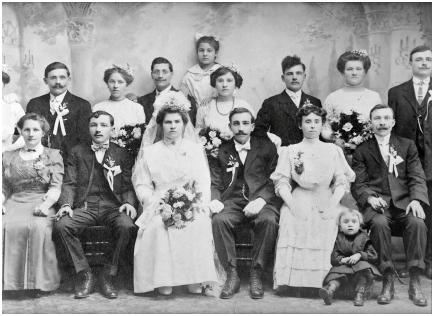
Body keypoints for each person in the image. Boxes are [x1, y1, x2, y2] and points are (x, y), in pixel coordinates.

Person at [132, 100, 218, 295]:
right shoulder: (150, 152)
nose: (172, 126)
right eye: (168, 122)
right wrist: (154, 202)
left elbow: (203, 181)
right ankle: (164, 280)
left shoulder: (195, 149)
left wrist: (198, 203)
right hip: (159, 201)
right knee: (157, 227)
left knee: (197, 223)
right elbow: (142, 184)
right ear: (161, 125)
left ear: (184, 124)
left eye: (177, 122)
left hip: (190, 199)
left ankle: (194, 279)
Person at [52, 111, 137, 299]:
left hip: (112, 206)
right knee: (62, 225)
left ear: (112, 129)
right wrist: (66, 204)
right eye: (94, 125)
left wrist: (129, 203)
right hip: (84, 206)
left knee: (127, 225)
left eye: (103, 125)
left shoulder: (121, 153)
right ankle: (84, 273)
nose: (98, 129)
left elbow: (127, 184)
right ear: (88, 128)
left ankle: (108, 274)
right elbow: (69, 182)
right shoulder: (77, 151)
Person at [351, 104, 429, 306]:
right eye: (377, 119)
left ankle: (415, 279)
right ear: (371, 123)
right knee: (378, 223)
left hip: (404, 203)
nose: (382, 123)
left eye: (386, 118)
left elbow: (416, 176)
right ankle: (387, 278)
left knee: (418, 223)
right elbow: (359, 184)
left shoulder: (407, 145)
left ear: (393, 122)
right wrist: (369, 197)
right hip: (378, 206)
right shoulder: (362, 150)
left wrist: (416, 199)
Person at [271, 105, 355, 292]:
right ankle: (294, 282)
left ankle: (325, 282)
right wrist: (292, 205)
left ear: (322, 124)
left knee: (329, 220)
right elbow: (282, 183)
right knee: (292, 218)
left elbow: (342, 181)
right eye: (307, 121)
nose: (312, 126)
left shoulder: (333, 150)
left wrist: (333, 205)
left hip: (327, 196)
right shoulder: (290, 150)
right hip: (300, 196)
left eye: (317, 122)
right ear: (300, 125)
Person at [210, 107, 282, 299]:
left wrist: (261, 199)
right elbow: (215, 181)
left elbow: (274, 178)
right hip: (232, 200)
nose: (240, 128)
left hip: (261, 200)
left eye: (245, 123)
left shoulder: (266, 147)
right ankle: (231, 274)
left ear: (252, 126)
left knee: (268, 221)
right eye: (236, 124)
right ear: (230, 126)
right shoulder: (222, 150)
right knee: (219, 220)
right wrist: (215, 199)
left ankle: (256, 272)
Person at [3, 113, 63, 296]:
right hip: (15, 200)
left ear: (43, 132)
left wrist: (46, 206)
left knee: (37, 227)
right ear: (20, 131)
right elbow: (4, 186)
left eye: (35, 130)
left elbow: (55, 186)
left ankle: (37, 283)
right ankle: (9, 285)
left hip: (41, 201)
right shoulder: (8, 156)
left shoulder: (52, 155)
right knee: (4, 225)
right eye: (26, 129)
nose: (30, 134)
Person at [388, 45, 432, 279]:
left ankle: (430, 260)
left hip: (432, 161)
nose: (424, 63)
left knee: (432, 211)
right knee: (411, 210)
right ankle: (411, 261)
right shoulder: (396, 93)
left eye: (428, 59)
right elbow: (392, 129)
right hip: (406, 161)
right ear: (410, 63)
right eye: (419, 60)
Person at [26, 62, 92, 160]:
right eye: (53, 78)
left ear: (69, 80)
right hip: (40, 160)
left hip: (71, 162)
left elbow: (85, 140)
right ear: (45, 80)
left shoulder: (82, 105)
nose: (58, 82)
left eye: (62, 77)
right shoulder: (34, 104)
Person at [253, 55, 322, 147]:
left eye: (298, 73)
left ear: (304, 76)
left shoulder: (315, 102)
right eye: (289, 74)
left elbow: (320, 133)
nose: (294, 77)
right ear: (283, 78)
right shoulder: (271, 103)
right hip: (283, 154)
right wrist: (274, 140)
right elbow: (258, 131)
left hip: (311, 153)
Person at [319, 209, 381, 306]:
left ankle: (360, 294)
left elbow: (373, 255)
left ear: (359, 224)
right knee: (336, 276)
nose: (350, 224)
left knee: (364, 273)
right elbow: (334, 257)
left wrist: (360, 255)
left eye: (354, 221)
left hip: (359, 267)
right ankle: (330, 291)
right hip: (344, 268)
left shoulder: (364, 237)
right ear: (340, 226)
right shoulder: (339, 238)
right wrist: (342, 259)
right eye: (346, 222)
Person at [324, 50, 382, 121]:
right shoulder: (332, 98)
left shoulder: (374, 97)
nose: (354, 73)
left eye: (358, 69)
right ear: (343, 72)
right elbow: (326, 126)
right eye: (349, 69)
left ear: (365, 72)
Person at [137, 57, 197, 125]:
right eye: (156, 72)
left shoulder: (186, 100)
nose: (160, 76)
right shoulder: (142, 101)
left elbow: (189, 129)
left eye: (164, 71)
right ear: (152, 75)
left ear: (171, 74)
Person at [196, 65, 253, 137]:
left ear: (235, 83)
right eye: (220, 81)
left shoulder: (244, 105)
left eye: (229, 80)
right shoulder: (205, 107)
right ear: (215, 84)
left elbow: (252, 133)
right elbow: (198, 133)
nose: (225, 85)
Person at [93, 65, 146, 133]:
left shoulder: (137, 108)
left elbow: (141, 135)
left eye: (120, 82)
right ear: (107, 84)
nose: (115, 86)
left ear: (126, 85)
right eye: (112, 81)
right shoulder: (98, 107)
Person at [180, 35, 221, 106]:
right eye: (201, 50)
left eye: (209, 51)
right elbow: (182, 99)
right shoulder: (190, 75)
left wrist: (213, 99)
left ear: (216, 53)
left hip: (218, 110)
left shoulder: (222, 72)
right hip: (196, 113)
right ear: (197, 52)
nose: (205, 54)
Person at [2, 66, 25, 152]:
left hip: (6, 155)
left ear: (3, 85)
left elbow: (29, 130)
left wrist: (9, 149)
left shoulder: (13, 107)